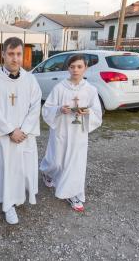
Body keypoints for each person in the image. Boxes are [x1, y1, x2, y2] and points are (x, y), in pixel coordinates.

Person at [0, 37, 42, 225]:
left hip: (24, 135)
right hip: (4, 137)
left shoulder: (30, 80)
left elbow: (35, 107)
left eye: (18, 54)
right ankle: (8, 204)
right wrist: (10, 131)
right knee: (5, 169)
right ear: (3, 54)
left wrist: (23, 130)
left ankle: (20, 196)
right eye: (11, 54)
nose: (15, 59)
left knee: (23, 168)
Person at [40, 54, 102, 212]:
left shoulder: (90, 90)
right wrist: (59, 109)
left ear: (85, 68)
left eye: (79, 66)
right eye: (72, 66)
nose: (75, 70)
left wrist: (87, 112)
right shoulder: (60, 88)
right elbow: (47, 108)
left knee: (76, 163)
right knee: (56, 161)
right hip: (61, 129)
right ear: (68, 68)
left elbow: (97, 112)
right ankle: (48, 172)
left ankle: (73, 193)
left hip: (79, 133)